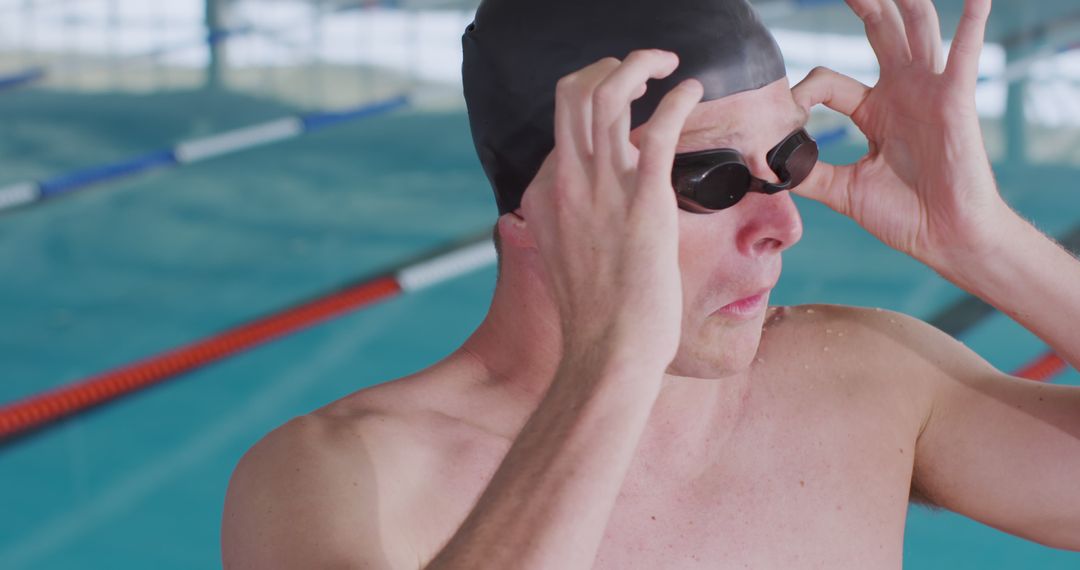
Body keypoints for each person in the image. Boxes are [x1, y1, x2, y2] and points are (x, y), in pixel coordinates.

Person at [221, 0, 1080, 567]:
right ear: (545, 214)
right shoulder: (344, 479)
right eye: (706, 180)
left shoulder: (867, 379)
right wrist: (613, 364)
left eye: (787, 158)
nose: (784, 224)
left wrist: (985, 242)